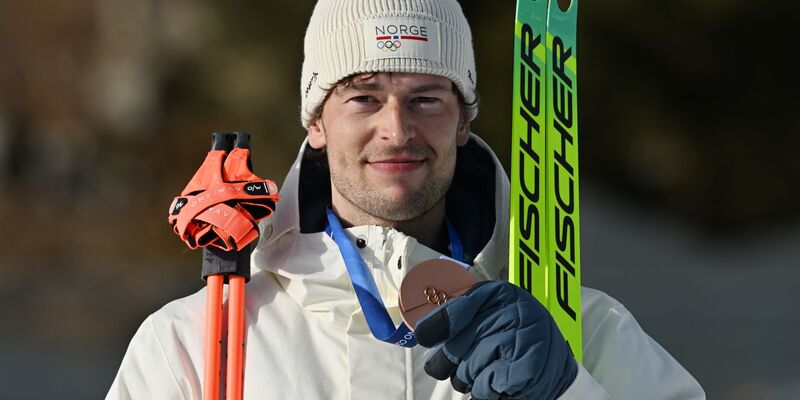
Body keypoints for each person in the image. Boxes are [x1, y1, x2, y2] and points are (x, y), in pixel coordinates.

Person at [107, 0, 705, 399]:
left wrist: (567, 393)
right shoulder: (197, 343)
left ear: (463, 123)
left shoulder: (577, 331)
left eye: (426, 99)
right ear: (315, 125)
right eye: (363, 97)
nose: (397, 130)